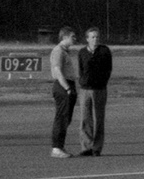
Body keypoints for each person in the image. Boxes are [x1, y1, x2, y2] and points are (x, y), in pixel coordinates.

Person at [77, 26, 113, 157]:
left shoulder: (105, 51)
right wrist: (83, 81)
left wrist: (102, 82)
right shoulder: (82, 52)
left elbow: (109, 69)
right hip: (85, 89)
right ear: (87, 39)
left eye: (97, 36)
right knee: (85, 118)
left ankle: (96, 148)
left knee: (99, 119)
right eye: (92, 37)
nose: (95, 39)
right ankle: (86, 147)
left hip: (99, 89)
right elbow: (81, 70)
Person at [48, 27, 79, 158]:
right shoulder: (58, 51)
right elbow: (58, 71)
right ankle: (56, 148)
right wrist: (67, 88)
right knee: (61, 118)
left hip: (68, 84)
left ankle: (60, 145)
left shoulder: (65, 52)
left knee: (66, 118)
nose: (75, 39)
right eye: (72, 36)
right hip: (62, 86)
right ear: (64, 37)